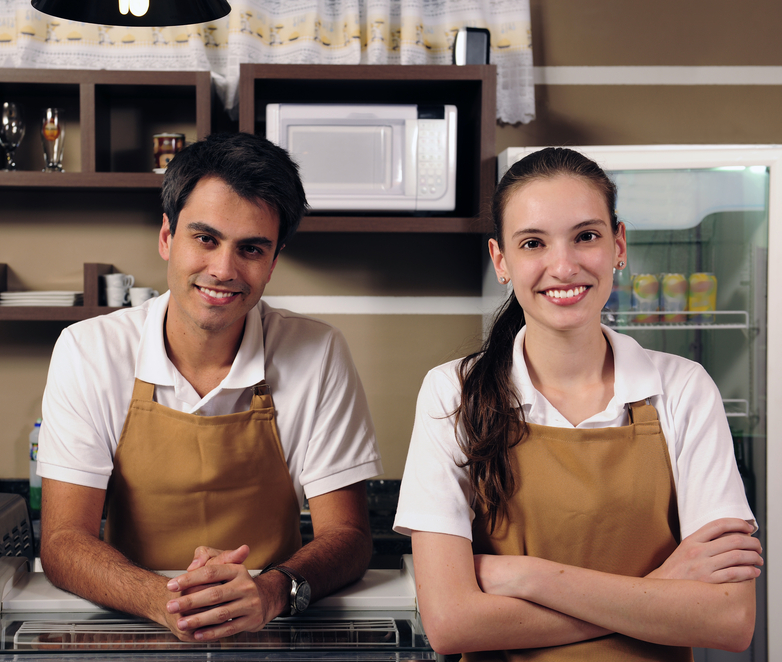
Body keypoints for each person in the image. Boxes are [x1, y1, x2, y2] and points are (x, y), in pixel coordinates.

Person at [393, 147, 762, 660]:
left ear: (619, 245)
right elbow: (453, 625)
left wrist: (526, 575)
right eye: (533, 243)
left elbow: (729, 618)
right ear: (502, 261)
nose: (563, 267)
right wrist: (658, 588)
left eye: (586, 236)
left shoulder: (683, 389)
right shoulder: (453, 392)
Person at [37, 132, 383, 643]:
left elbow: (349, 536)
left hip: (271, 625)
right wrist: (169, 601)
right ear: (166, 238)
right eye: (205, 238)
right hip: (133, 618)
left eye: (251, 248)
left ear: (273, 260)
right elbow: (65, 540)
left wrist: (270, 592)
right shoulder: (88, 350)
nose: (223, 270)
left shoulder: (319, 353)